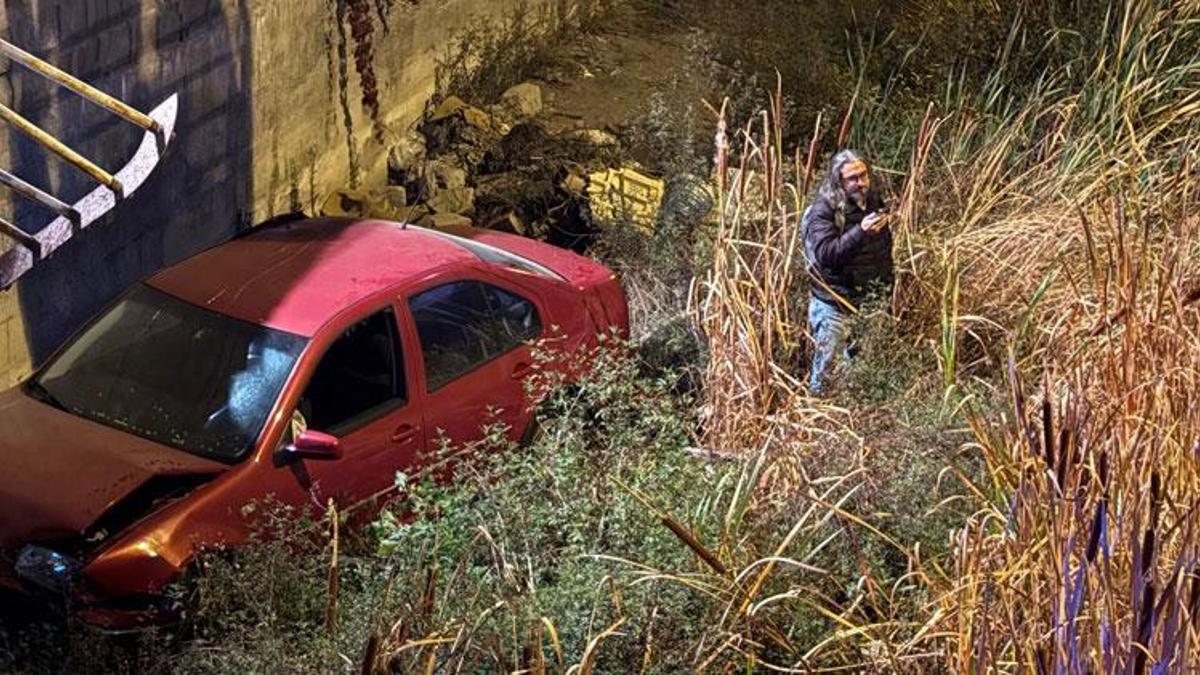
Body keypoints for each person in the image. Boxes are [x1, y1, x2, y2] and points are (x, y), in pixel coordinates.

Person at [802, 149, 894, 393]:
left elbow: (883, 249)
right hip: (835, 302)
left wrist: (887, 287)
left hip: (870, 300)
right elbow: (826, 255)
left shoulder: (873, 201)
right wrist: (860, 232)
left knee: (862, 365)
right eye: (852, 178)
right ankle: (817, 415)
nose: (861, 183)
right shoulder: (824, 210)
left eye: (863, 175)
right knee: (827, 371)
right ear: (838, 180)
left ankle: (857, 413)